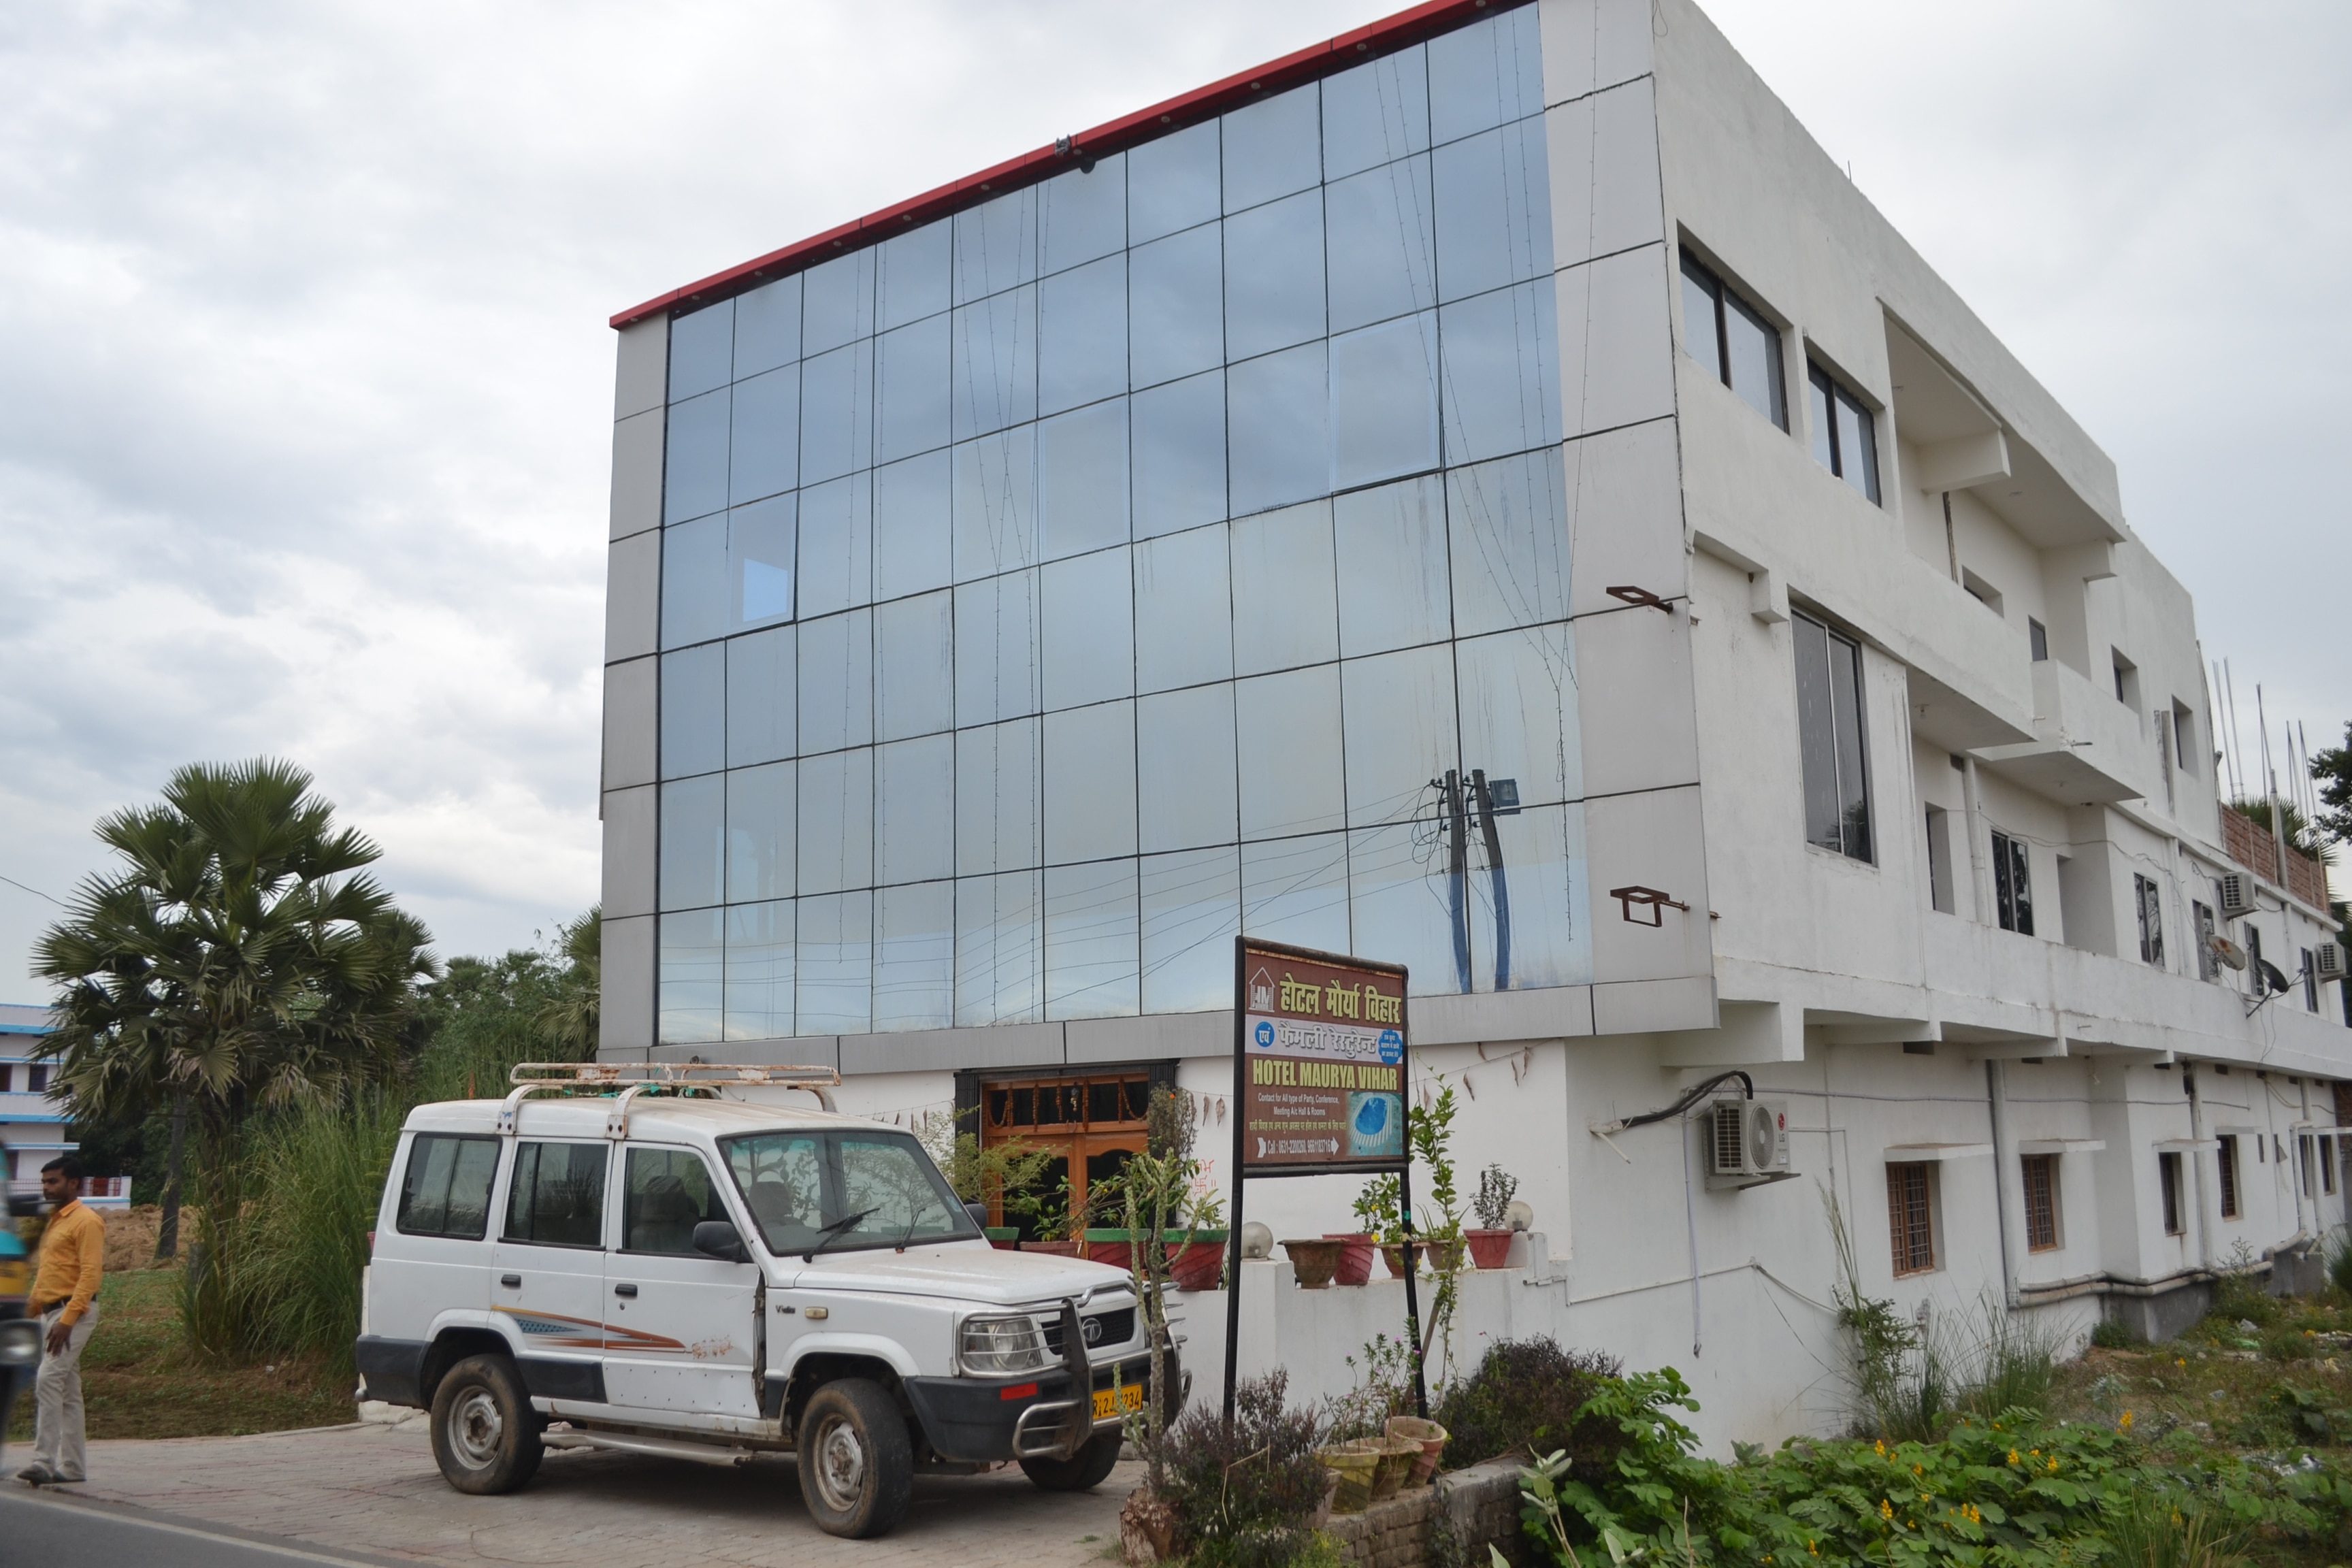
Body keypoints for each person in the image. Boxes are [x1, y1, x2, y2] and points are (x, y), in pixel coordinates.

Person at [16, 1156, 103, 1487]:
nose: (46, 1188)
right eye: (44, 1182)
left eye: (53, 1181)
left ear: (74, 1183)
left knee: (48, 1378)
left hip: (74, 1314)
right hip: (51, 1312)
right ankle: (74, 1467)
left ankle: (43, 1461)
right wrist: (30, 1310)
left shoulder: (87, 1221)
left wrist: (67, 1320)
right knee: (67, 1389)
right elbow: (47, 1274)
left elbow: (90, 1276)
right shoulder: (55, 1221)